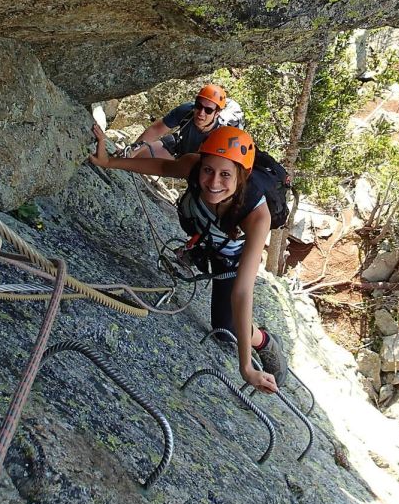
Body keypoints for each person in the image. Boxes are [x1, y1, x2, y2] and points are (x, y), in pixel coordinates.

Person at [90, 122, 288, 394]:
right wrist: (109, 163)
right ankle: (197, 248)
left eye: (225, 175)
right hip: (204, 235)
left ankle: (264, 341)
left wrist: (246, 366)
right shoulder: (193, 165)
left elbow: (242, 292)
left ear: (243, 175)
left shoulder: (257, 215)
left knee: (224, 327)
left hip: (230, 258)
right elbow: (161, 167)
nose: (213, 183)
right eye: (209, 170)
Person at [131, 84, 230, 160]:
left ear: (217, 114)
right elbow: (156, 130)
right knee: (139, 156)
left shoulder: (222, 134)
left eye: (208, 110)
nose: (201, 113)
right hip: (179, 148)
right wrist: (131, 152)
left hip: (202, 163)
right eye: (198, 106)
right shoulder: (186, 111)